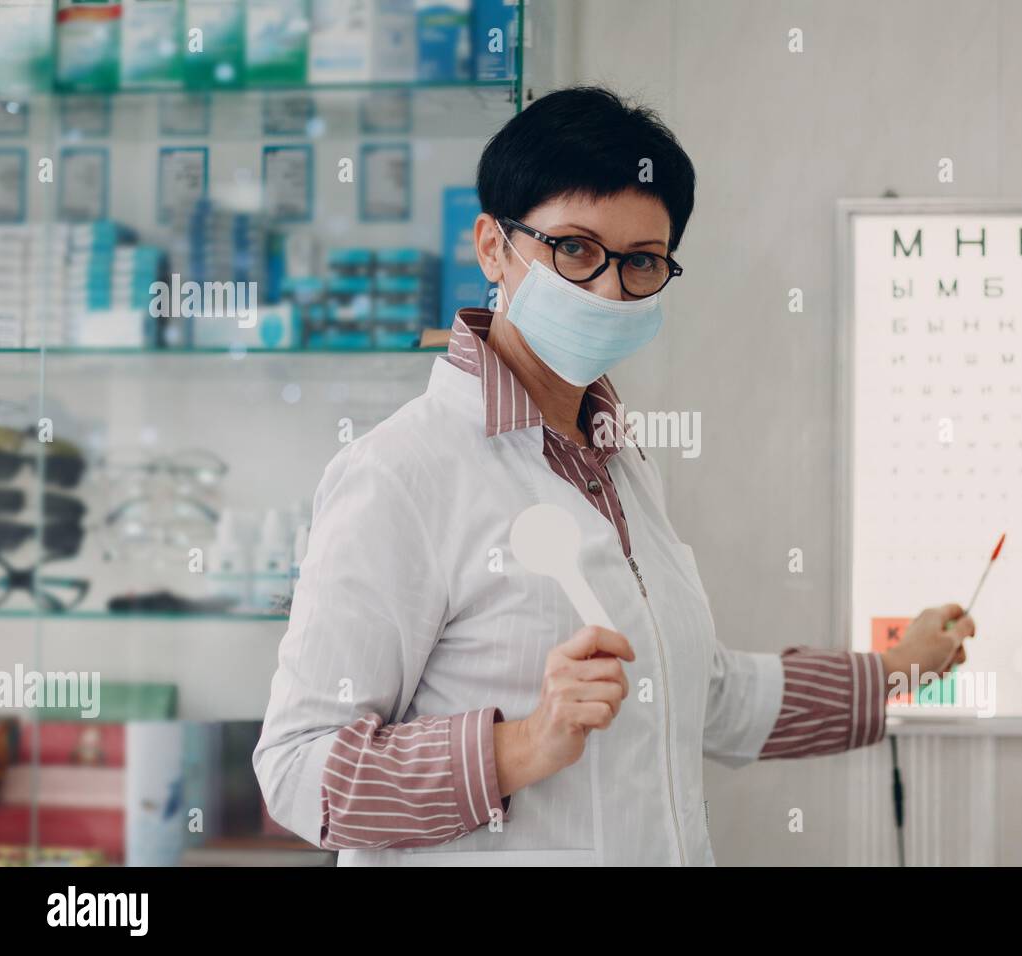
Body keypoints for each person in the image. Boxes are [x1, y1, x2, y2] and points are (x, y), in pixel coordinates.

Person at [253, 86, 975, 866]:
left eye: (641, 262)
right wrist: (520, 746)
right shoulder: (401, 474)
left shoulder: (619, 462)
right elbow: (297, 772)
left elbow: (708, 697)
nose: (607, 288)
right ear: (493, 245)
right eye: (574, 249)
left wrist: (899, 672)